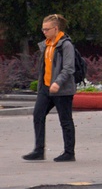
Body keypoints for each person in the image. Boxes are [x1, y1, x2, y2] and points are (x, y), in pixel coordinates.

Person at [24, 14, 77, 162]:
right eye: (43, 29)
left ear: (56, 28)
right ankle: (39, 150)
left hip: (62, 89)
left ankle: (69, 153)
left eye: (47, 29)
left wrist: (57, 83)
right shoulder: (46, 45)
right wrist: (42, 85)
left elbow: (69, 68)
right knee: (38, 115)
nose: (44, 32)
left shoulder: (65, 45)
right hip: (46, 88)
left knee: (65, 120)